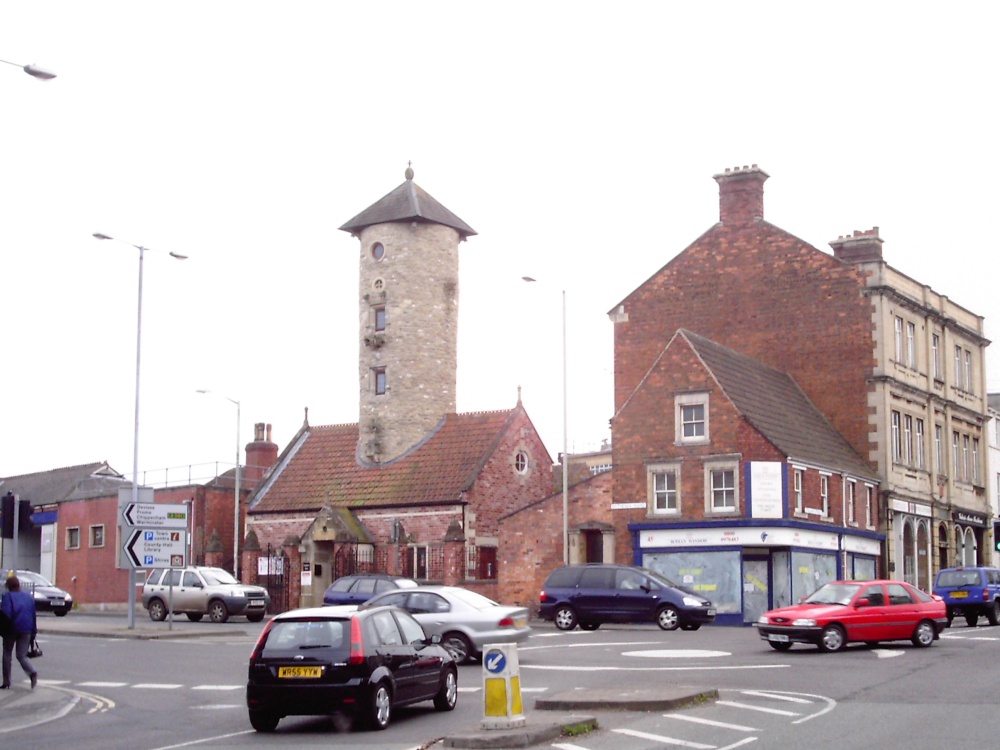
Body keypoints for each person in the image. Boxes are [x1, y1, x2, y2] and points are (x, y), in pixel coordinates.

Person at [1, 574, 38, 689]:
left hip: (11, 629)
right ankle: (32, 672)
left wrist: (2, 631)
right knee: (21, 655)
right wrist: (33, 633)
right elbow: (33, 615)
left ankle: (6, 682)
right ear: (19, 585)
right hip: (27, 629)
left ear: (8, 586)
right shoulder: (28, 597)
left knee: (7, 653)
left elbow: (5, 616)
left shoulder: (8, 597)